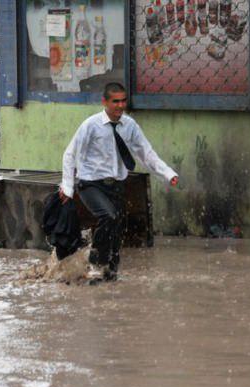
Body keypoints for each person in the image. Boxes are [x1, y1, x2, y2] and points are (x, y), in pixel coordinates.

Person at [59, 82, 179, 278]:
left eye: (123, 101)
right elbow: (70, 154)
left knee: (116, 230)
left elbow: (146, 153)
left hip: (116, 185)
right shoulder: (91, 125)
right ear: (105, 102)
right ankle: (95, 263)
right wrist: (67, 187)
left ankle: (110, 271)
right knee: (109, 216)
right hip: (90, 184)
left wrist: (168, 174)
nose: (120, 105)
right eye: (115, 101)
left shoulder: (129, 125)